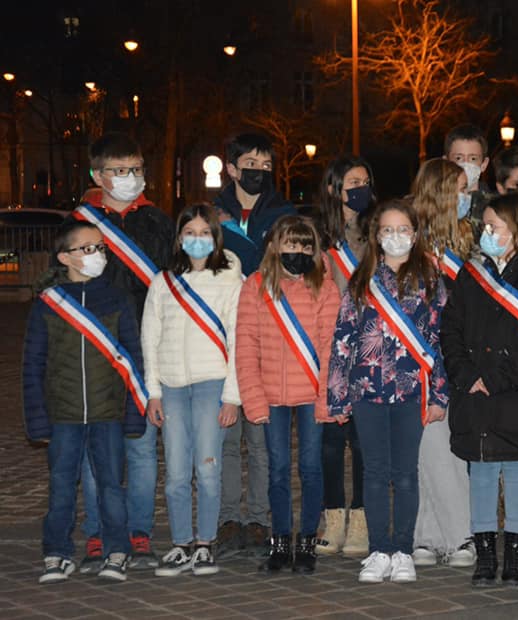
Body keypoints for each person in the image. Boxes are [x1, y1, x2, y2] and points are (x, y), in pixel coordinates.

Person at [441, 192, 518, 587]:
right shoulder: (470, 274)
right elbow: (451, 328)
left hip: (517, 392)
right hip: (474, 392)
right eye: (485, 225)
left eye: (496, 225)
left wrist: (497, 378)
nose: (487, 232)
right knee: (481, 469)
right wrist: (465, 374)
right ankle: (484, 553)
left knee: (516, 470)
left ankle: (514, 553)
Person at [328, 200, 449, 584]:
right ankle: (380, 549)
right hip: (367, 392)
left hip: (412, 392)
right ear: (377, 237)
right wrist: (338, 394)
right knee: (375, 474)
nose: (396, 237)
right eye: (387, 230)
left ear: (415, 235)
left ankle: (404, 550)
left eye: (403, 230)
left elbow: (442, 341)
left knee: (407, 474)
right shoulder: (361, 281)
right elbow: (343, 339)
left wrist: (440, 396)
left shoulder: (431, 280)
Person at [24, 220, 146, 583]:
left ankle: (117, 550)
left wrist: (134, 413)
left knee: (111, 484)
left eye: (100, 248)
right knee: (61, 485)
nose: (98, 255)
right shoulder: (48, 305)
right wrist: (37, 419)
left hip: (108, 412)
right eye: (88, 248)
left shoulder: (117, 300)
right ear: (65, 257)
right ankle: (57, 552)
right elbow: (32, 364)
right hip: (63, 414)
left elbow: (133, 358)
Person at [73, 131, 174, 572]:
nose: (129, 178)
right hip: (95, 347)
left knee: (140, 445)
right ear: (98, 174)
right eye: (119, 171)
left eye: (135, 169)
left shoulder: (157, 222)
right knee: (98, 448)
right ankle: (99, 532)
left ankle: (139, 531)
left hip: (146, 349)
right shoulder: (78, 224)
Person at [141, 204, 244, 577]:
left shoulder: (230, 280)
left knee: (208, 467)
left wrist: (232, 395)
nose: (196, 240)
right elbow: (149, 338)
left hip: (211, 383)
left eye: (204, 233)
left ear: (215, 238)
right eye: (190, 233)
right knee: (176, 472)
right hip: (171, 386)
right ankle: (181, 543)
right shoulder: (162, 281)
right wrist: (153, 390)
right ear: (179, 237)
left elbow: (238, 339)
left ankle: (205, 543)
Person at [236, 215, 340, 574]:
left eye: (305, 245)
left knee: (311, 469)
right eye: (290, 244)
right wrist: (252, 396)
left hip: (312, 392)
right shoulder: (255, 287)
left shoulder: (325, 288)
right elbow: (246, 344)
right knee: (277, 469)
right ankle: (280, 542)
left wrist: (327, 398)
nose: (297, 251)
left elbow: (330, 348)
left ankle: (307, 541)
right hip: (271, 393)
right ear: (274, 247)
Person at [214, 133, 296, 558]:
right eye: (250, 163)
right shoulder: (211, 216)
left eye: (265, 165)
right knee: (226, 439)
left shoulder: (284, 214)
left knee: (264, 441)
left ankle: (262, 519)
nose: (258, 171)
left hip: (269, 339)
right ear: (231, 167)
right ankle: (228, 518)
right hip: (218, 339)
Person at [407, 159, 476, 569]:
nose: (467, 198)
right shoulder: (410, 242)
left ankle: (428, 535)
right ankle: (456, 534)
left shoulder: (469, 239)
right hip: (421, 356)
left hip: (459, 354)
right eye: (461, 190)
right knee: (432, 447)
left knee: (446, 446)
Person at [312, 155, 376, 558]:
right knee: (331, 441)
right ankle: (332, 515)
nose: (361, 188)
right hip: (330, 349)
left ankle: (362, 518)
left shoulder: (377, 230)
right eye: (353, 181)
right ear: (335, 188)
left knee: (365, 441)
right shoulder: (318, 235)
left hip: (370, 350)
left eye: (366, 180)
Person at [443, 123, 493, 220]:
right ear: (446, 163)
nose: (465, 164)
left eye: (473, 159)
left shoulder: (498, 209)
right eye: (458, 158)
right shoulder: (432, 206)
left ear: (484, 164)